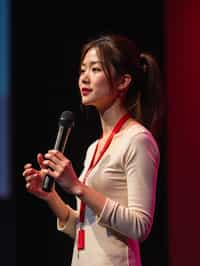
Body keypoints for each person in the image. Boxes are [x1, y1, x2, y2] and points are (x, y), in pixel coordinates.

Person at [22, 33, 162, 266]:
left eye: (95, 69)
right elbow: (88, 226)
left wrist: (78, 187)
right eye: (83, 70)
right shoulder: (94, 148)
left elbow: (140, 226)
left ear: (123, 81)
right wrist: (50, 195)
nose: (84, 78)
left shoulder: (138, 140)